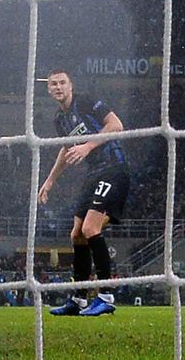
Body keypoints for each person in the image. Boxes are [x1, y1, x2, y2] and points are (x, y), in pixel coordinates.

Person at [39, 69, 130, 317]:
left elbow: (116, 124)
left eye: (62, 82)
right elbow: (66, 149)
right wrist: (49, 181)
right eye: (53, 84)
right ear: (49, 90)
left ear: (71, 86)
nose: (58, 87)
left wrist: (89, 146)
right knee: (77, 235)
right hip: (93, 175)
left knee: (91, 229)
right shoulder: (59, 119)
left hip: (113, 168)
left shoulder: (87, 101)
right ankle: (79, 299)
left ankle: (106, 296)